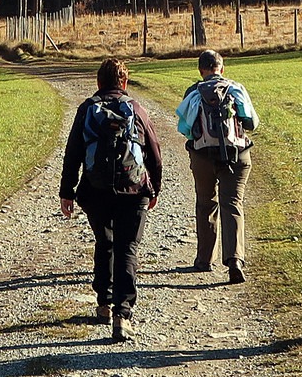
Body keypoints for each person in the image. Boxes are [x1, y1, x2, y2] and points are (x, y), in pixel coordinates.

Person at [59, 58, 163, 341]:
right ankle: (123, 315)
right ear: (125, 83)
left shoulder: (87, 109)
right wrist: (154, 187)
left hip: (95, 190)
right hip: (134, 190)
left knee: (105, 243)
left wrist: (67, 192)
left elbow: (73, 153)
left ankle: (103, 304)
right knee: (128, 247)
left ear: (98, 82)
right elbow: (153, 151)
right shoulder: (137, 109)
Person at [174, 49, 260, 284]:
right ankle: (234, 260)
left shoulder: (193, 92)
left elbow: (186, 128)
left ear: (201, 70)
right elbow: (251, 123)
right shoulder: (236, 88)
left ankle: (204, 260)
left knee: (206, 204)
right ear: (222, 68)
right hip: (237, 156)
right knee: (232, 203)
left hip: (203, 156)